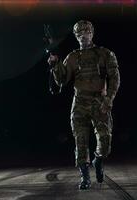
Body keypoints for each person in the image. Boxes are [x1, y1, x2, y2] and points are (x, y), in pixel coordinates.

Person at [47, 20, 120, 190]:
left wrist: (109, 99)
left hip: (99, 101)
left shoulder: (105, 54)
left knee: (105, 140)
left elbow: (115, 78)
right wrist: (55, 64)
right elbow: (62, 80)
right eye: (79, 33)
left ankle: (99, 160)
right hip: (79, 102)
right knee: (80, 141)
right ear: (76, 36)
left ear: (92, 33)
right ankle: (85, 176)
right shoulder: (73, 57)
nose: (83, 36)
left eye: (86, 32)